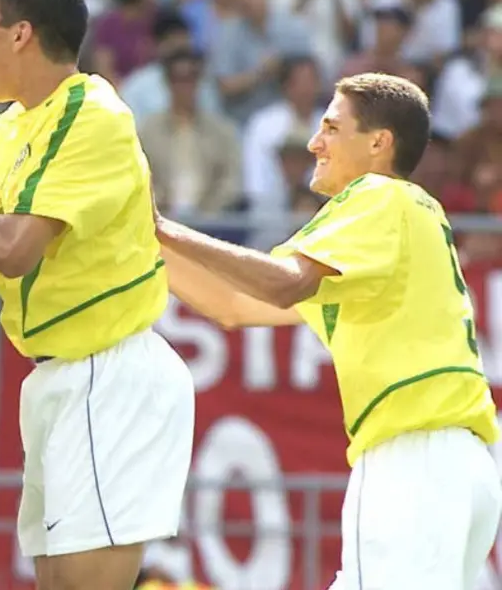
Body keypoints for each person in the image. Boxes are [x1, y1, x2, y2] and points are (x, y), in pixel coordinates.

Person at [155, 73, 502, 589]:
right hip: (456, 463)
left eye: (332, 128)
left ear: (379, 143)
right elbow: (234, 305)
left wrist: (160, 225)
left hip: (413, 459)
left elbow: (284, 284)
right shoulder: (400, 216)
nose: (316, 142)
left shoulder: (378, 197)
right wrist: (146, 239)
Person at [0, 0, 196, 588]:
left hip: (107, 374)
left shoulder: (92, 112)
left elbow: (12, 250)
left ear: (20, 34)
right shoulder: (13, 127)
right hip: (58, 378)